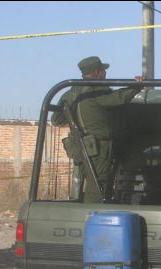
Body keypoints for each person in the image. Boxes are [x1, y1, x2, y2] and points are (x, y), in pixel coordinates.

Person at [51, 56, 143, 203]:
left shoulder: (70, 93)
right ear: (97, 73)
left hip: (79, 146)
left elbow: (56, 120)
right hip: (97, 147)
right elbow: (117, 99)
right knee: (98, 185)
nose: (105, 74)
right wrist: (135, 87)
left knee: (86, 183)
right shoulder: (97, 89)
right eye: (103, 71)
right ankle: (91, 216)